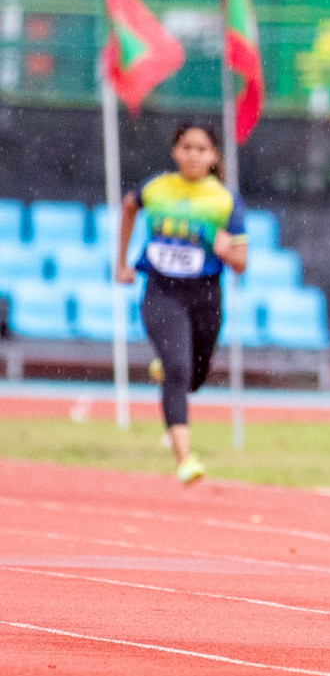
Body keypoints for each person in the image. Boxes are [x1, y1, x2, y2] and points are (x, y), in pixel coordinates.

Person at [114, 122, 248, 486]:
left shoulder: (225, 200)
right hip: (161, 291)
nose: (193, 155)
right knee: (177, 369)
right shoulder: (156, 188)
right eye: (186, 147)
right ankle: (184, 459)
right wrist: (121, 262)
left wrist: (226, 252)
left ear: (214, 156)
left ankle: (171, 375)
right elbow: (129, 207)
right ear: (175, 151)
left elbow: (241, 261)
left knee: (195, 375)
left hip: (205, 294)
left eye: (201, 149)